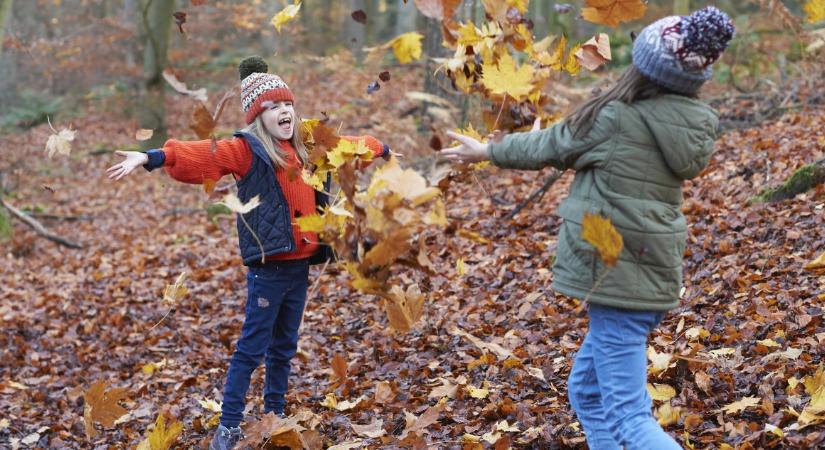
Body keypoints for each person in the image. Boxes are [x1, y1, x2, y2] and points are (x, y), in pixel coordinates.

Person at [441, 7, 734, 449]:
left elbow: (552, 144)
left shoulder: (615, 117)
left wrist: (486, 151)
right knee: (588, 392)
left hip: (618, 280)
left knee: (630, 419)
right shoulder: (688, 122)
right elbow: (559, 142)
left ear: (645, 66)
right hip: (648, 276)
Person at [107, 56, 392, 450]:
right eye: (273, 107)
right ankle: (228, 425)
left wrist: (381, 149)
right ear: (259, 116)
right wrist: (152, 157)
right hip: (268, 269)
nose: (283, 111)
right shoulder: (247, 150)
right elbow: (203, 155)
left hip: (300, 268)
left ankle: (273, 414)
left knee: (284, 347)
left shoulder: (308, 146)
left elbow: (348, 147)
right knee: (251, 349)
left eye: (287, 104)